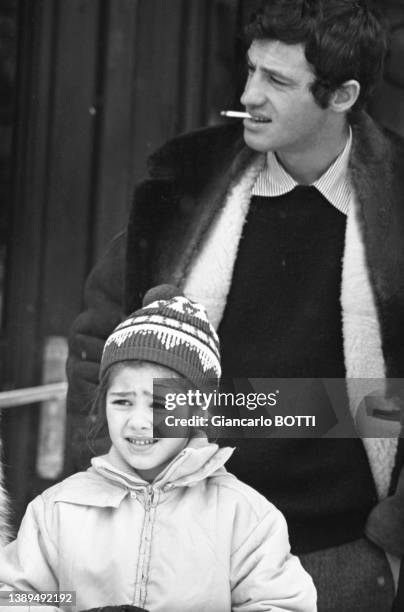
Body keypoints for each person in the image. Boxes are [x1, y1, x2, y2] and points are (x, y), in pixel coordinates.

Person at [66, 1, 404, 609]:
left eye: (277, 80)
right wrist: (114, 477)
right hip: (182, 544)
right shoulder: (183, 185)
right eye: (251, 70)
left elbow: (384, 406)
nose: (250, 94)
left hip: (342, 555)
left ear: (343, 94)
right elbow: (99, 339)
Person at [0, 286, 317, 612]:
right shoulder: (58, 509)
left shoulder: (244, 516)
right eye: (123, 401)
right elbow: (15, 598)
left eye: (160, 404)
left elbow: (282, 605)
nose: (139, 421)